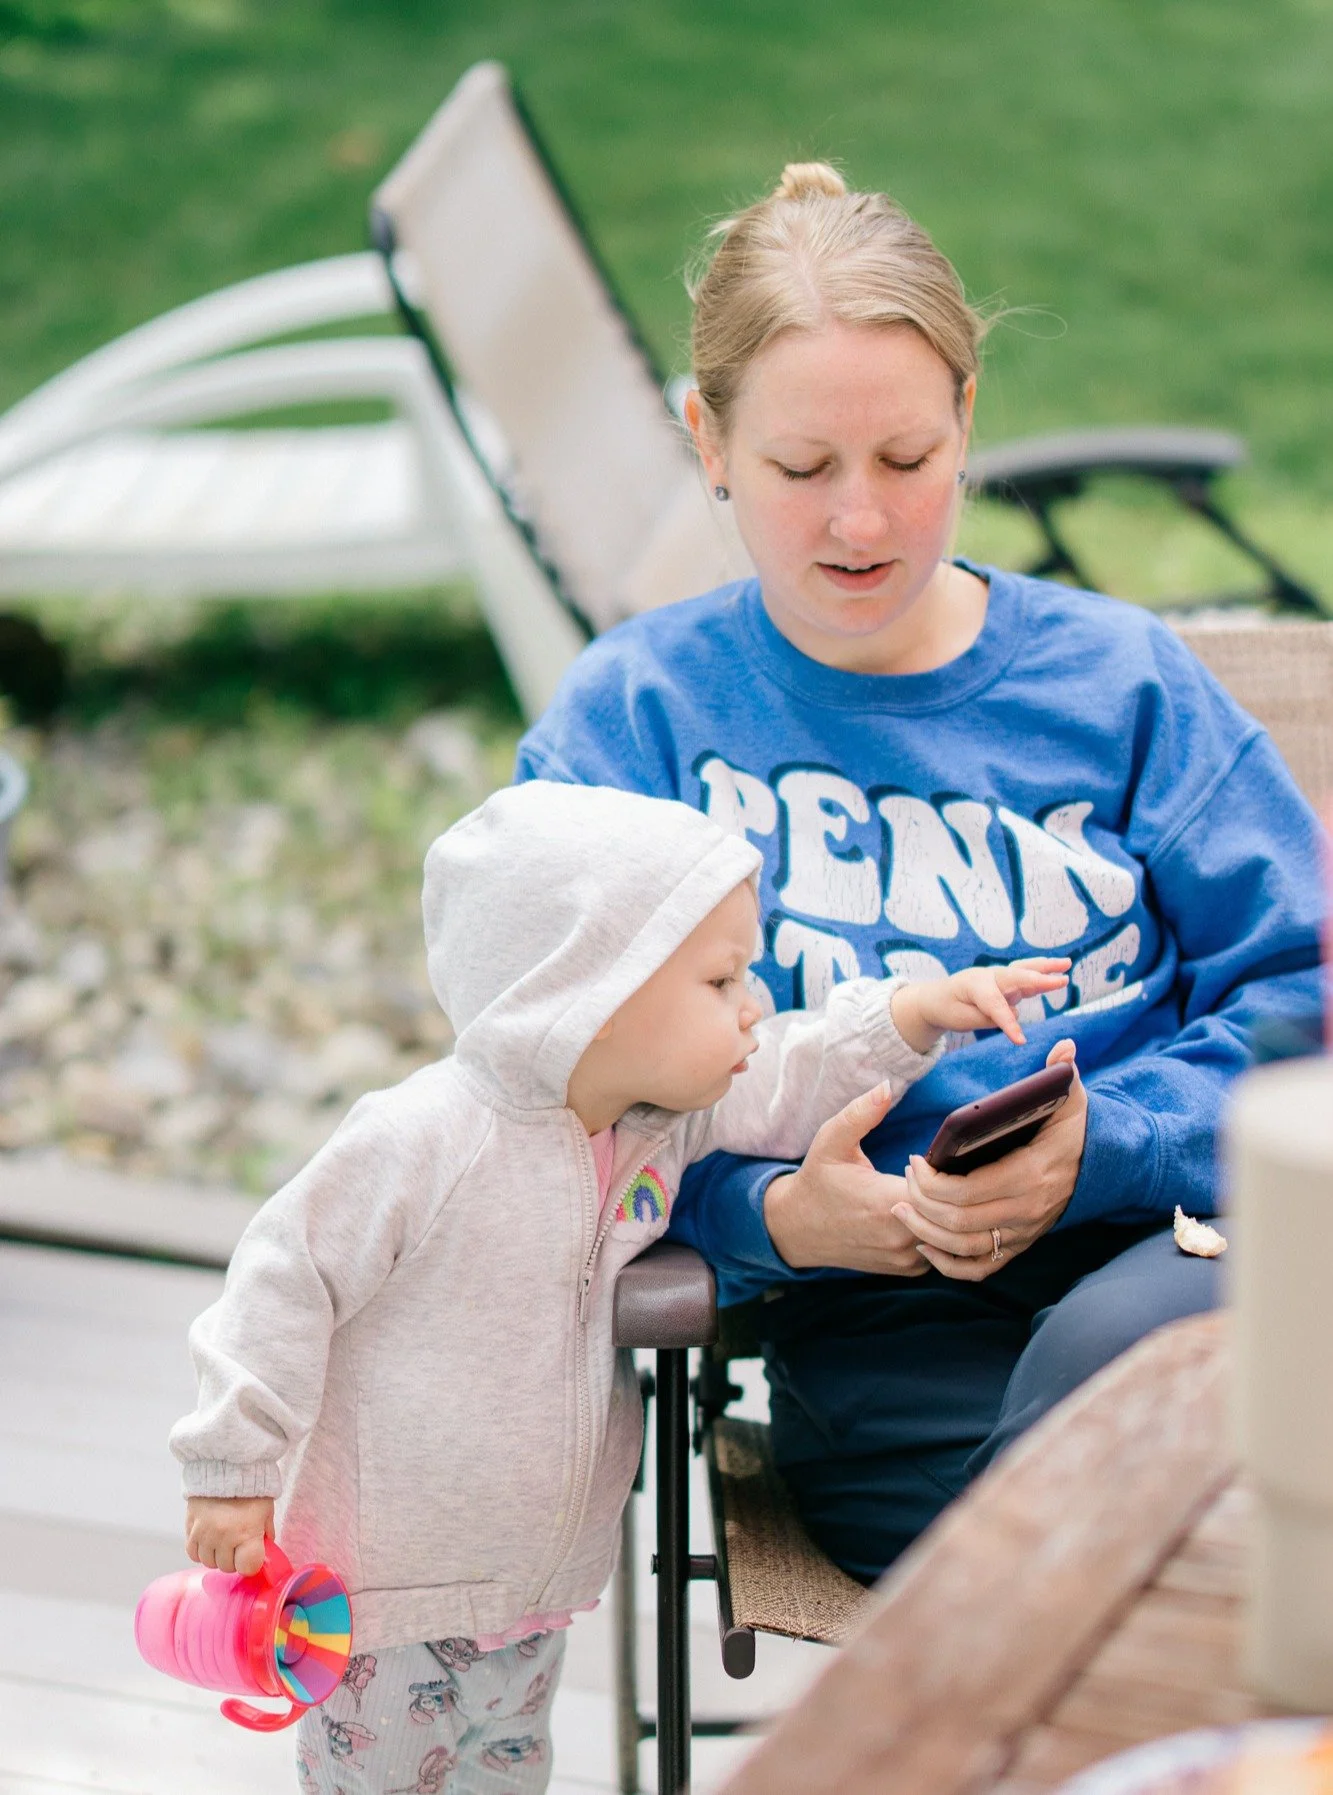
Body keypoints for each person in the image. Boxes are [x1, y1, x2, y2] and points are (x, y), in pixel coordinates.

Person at [513, 162, 1326, 1582]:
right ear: (707, 441)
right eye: (801, 468)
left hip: (1172, 1257)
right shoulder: (636, 724)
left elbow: (1303, 997)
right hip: (878, 1339)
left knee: (1101, 1421)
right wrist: (770, 1220)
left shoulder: (1122, 686)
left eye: (905, 459)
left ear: (967, 420)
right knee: (1114, 1553)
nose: (861, 525)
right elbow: (533, 1106)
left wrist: (1110, 1145)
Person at [168, 779, 1066, 1794]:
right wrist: (232, 1467)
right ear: (586, 993)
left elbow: (783, 1074)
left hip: (531, 1596)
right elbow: (281, 1276)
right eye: (723, 980)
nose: (753, 1004)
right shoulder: (423, 1139)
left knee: (506, 1775)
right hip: (387, 1595)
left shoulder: (649, 1127)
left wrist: (911, 1014)